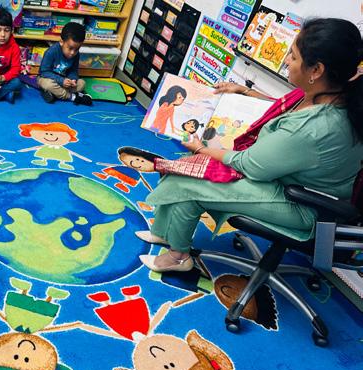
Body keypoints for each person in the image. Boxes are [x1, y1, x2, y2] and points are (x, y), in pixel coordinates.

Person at [137, 18, 363, 272]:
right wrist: (243, 92)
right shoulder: (332, 93)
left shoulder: (315, 126)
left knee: (187, 178)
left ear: (316, 70)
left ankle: (178, 257)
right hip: (288, 181)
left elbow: (251, 166)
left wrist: (201, 149)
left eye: (293, 56)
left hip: (303, 204)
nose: (286, 61)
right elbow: (280, 107)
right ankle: (166, 233)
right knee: (189, 168)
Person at [37, 22, 92, 106]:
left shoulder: (76, 54)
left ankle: (55, 94)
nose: (73, 53)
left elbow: (73, 71)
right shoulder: (51, 52)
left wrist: (73, 80)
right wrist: (61, 80)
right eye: (70, 48)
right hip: (48, 78)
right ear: (61, 42)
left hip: (65, 81)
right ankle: (72, 97)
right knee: (47, 84)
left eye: (77, 49)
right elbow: (44, 72)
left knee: (82, 83)